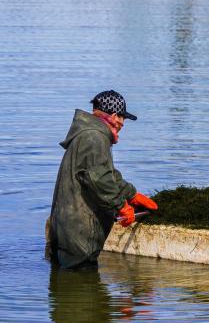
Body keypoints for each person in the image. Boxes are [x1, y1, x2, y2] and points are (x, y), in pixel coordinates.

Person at [47, 90, 158, 268]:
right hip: (79, 234)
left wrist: (131, 194)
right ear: (115, 116)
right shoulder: (94, 137)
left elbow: (104, 173)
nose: (123, 124)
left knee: (66, 282)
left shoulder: (90, 134)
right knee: (82, 287)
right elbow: (99, 180)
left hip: (68, 227)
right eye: (123, 118)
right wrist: (120, 206)